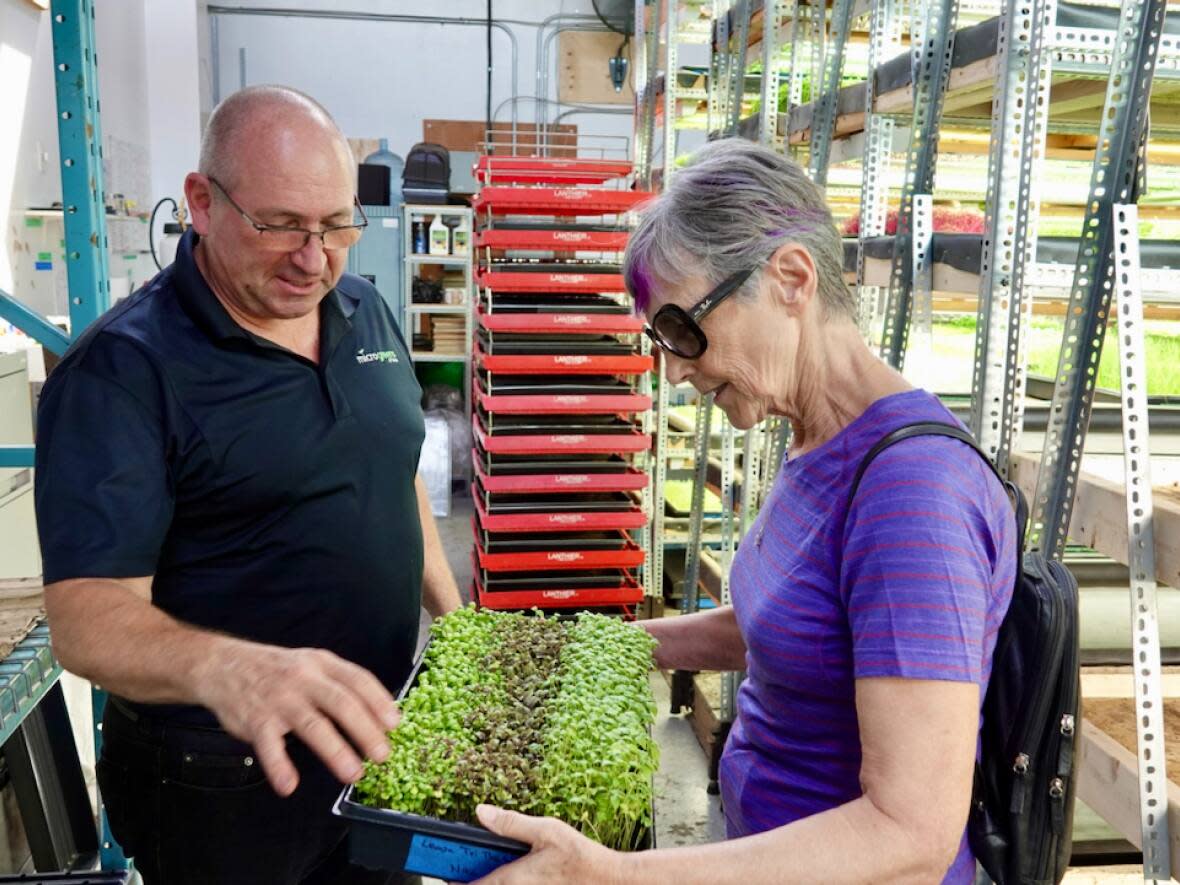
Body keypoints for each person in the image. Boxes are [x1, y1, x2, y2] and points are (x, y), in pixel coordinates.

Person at [471, 139, 1016, 883]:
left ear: (790, 279)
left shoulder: (913, 498)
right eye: (659, 339)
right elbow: (787, 623)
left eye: (684, 330)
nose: (674, 368)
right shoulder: (816, 441)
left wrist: (610, 875)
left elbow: (911, 831)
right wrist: (605, 648)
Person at [34, 85, 462, 884]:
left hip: (374, 741)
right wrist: (231, 667)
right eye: (278, 226)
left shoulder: (363, 309)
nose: (314, 258)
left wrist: (460, 621)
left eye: (336, 226)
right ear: (201, 202)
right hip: (219, 781)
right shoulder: (125, 372)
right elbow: (84, 616)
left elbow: (390, 468)